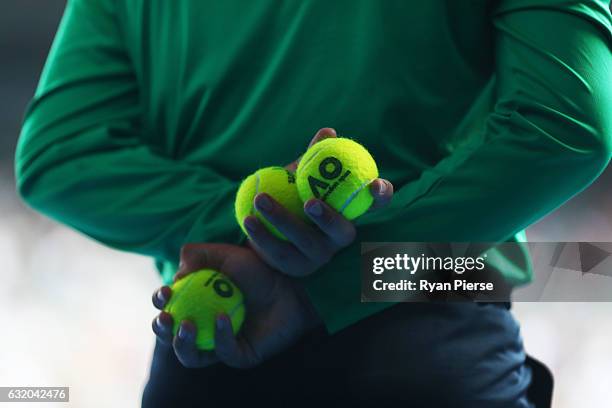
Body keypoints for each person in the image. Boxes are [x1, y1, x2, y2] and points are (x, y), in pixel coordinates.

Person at [15, 0, 611, 406]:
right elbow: (565, 122)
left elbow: (59, 154)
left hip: (214, 336)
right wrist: (346, 270)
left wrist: (255, 234)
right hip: (436, 324)